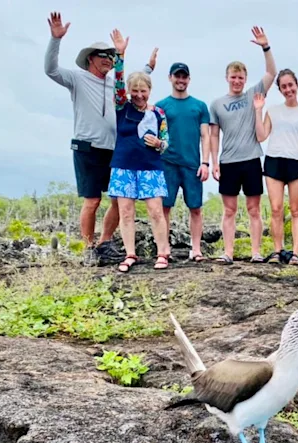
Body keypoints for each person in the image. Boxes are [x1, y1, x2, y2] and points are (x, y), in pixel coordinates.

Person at [44, 12, 156, 266]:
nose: (108, 60)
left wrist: (148, 67)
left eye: (111, 56)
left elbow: (134, 81)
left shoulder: (114, 85)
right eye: (103, 56)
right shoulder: (77, 78)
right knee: (92, 200)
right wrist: (55, 39)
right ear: (90, 59)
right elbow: (50, 70)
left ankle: (104, 242)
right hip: (87, 148)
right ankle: (88, 247)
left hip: (114, 150)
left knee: (119, 199)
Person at [208, 26, 277, 265]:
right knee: (229, 210)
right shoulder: (217, 104)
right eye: (233, 77)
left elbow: (271, 73)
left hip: (251, 159)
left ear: (245, 80)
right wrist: (214, 162)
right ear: (227, 78)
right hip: (228, 161)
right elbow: (214, 135)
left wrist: (265, 47)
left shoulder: (253, 95)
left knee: (254, 209)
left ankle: (256, 252)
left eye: (240, 78)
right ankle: (228, 252)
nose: (237, 81)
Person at [106, 29, 171, 273]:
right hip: (123, 165)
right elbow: (119, 82)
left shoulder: (158, 113)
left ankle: (163, 252)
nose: (139, 95)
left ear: (150, 91)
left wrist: (159, 144)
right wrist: (120, 55)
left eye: (143, 91)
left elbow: (166, 142)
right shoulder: (122, 106)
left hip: (151, 167)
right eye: (136, 91)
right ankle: (130, 253)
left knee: (156, 211)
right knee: (125, 211)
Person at [254, 69, 298, 265]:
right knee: (276, 209)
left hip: (296, 161)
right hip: (274, 161)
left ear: (296, 85)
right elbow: (262, 136)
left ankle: (296, 253)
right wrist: (258, 110)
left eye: (291, 85)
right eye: (284, 86)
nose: (288, 89)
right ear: (280, 89)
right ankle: (277, 251)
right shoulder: (273, 110)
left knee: (296, 209)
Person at [156, 62, 211, 262]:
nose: (181, 80)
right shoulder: (161, 106)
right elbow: (155, 136)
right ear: (170, 77)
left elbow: (205, 135)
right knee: (165, 207)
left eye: (184, 77)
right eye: (177, 76)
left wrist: (205, 163)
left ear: (189, 79)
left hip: (192, 164)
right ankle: (163, 249)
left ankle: (196, 249)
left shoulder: (200, 106)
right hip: (167, 162)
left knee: (195, 207)